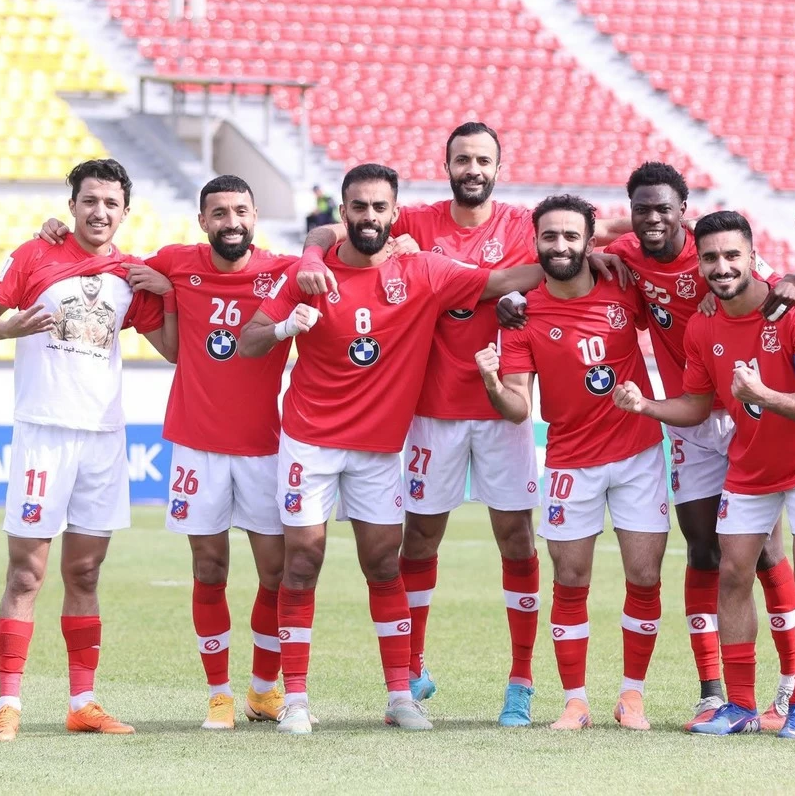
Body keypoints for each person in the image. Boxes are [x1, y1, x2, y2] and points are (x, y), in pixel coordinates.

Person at [294, 122, 631, 725]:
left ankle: (521, 681)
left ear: (498, 168)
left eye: (482, 160)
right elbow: (336, 228)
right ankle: (412, 668)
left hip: (505, 409)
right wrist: (310, 254)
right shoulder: (414, 222)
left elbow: (598, 230)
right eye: (462, 159)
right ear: (446, 165)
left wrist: (596, 254)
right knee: (419, 539)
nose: (472, 168)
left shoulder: (524, 225)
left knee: (517, 540)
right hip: (431, 411)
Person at [239, 163, 543, 734]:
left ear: (394, 214)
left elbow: (501, 280)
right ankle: (296, 699)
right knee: (302, 561)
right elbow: (248, 340)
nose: (369, 217)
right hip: (310, 442)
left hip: (378, 450)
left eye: (379, 208)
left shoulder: (423, 271)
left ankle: (400, 696)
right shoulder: (309, 274)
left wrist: (577, 259)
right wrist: (285, 328)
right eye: (358, 206)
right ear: (344, 212)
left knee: (383, 564)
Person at [35, 175, 301, 730]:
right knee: (209, 567)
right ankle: (219, 696)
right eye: (219, 213)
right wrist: (58, 234)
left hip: (265, 446)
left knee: (276, 572)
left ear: (255, 216)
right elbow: (104, 260)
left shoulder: (283, 270)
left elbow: (339, 255)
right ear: (203, 221)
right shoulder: (178, 261)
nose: (232, 222)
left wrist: (392, 240)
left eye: (241, 211)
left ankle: (263, 690)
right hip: (197, 446)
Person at [590, 162, 795, 730]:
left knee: (764, 552)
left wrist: (793, 279)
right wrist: (597, 250)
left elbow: (784, 283)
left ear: (683, 210)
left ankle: (789, 685)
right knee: (703, 550)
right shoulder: (629, 251)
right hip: (689, 416)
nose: (652, 219)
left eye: (664, 208)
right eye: (642, 209)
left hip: (745, 409)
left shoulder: (713, 251)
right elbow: (578, 232)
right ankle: (712, 691)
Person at [614, 210, 795, 739]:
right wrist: (646, 406)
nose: (722, 267)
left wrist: (762, 395)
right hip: (750, 464)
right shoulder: (703, 325)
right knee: (733, 572)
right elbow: (696, 405)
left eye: (732, 255)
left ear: (752, 257)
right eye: (711, 258)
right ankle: (739, 706)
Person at [0, 159, 169, 742]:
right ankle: (8, 704)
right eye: (89, 201)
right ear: (73, 205)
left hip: (103, 438)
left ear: (125, 212)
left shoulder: (131, 275)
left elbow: (176, 350)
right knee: (26, 573)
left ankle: (83, 702)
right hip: (44, 433)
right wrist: (8, 329)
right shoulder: (35, 255)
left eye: (111, 203)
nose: (99, 212)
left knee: (85, 571)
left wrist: (172, 293)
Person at [475, 194, 668, 731]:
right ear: (535, 242)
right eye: (550, 236)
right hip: (569, 462)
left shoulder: (624, 283)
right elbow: (519, 406)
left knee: (645, 576)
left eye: (571, 236)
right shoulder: (522, 313)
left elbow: (673, 237)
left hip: (638, 453)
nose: (560, 245)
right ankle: (575, 701)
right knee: (570, 578)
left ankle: (632, 696)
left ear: (590, 241)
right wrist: (490, 382)